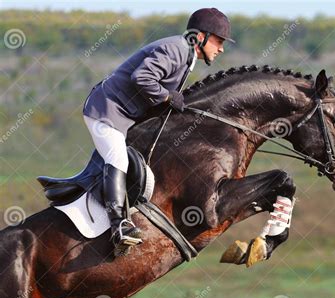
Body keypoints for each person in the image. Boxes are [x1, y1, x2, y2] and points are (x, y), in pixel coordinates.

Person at [82, 8, 234, 256]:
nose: (221, 48)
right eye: (218, 41)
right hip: (105, 112)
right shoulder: (176, 49)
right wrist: (167, 96)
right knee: (118, 159)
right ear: (201, 37)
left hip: (123, 115)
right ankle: (119, 226)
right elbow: (142, 77)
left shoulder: (186, 55)